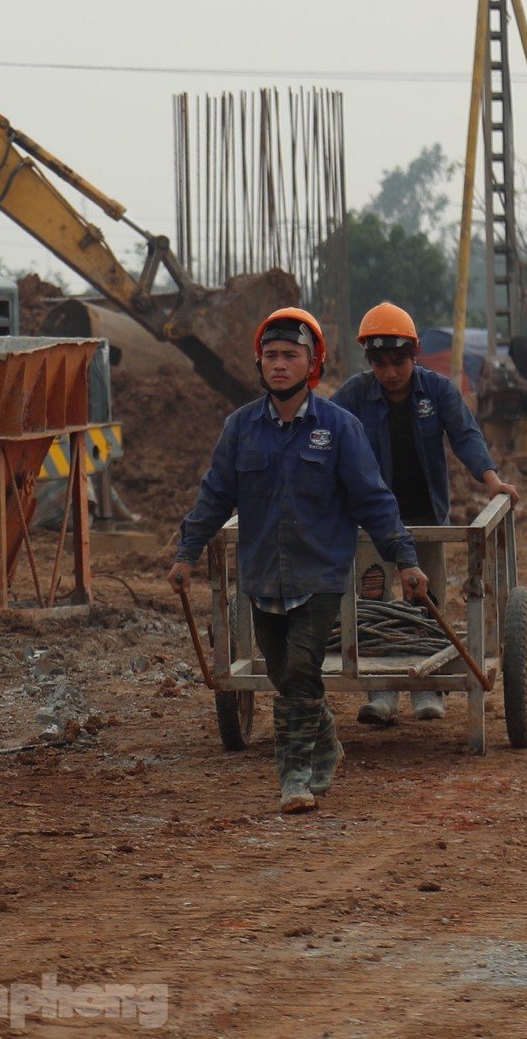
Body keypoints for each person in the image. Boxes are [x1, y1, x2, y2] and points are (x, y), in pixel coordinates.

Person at [167, 308, 425, 814]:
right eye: (271, 356)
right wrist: (186, 553)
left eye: (291, 356)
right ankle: (327, 741)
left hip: (321, 574)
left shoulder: (339, 429)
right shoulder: (240, 429)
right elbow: (215, 496)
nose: (279, 364)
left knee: (302, 671)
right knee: (287, 677)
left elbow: (374, 500)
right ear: (258, 364)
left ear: (313, 364)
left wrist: (404, 560)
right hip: (262, 576)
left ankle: (294, 776)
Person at [328, 303, 519, 727]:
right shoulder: (355, 395)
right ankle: (382, 692)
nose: (390, 372)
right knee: (374, 601)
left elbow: (466, 436)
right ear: (370, 362)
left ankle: (427, 687)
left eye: (398, 362)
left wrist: (492, 482)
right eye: (380, 363)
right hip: (373, 522)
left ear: (414, 355)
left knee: (425, 600)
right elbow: (323, 433)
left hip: (427, 517)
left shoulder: (438, 391)